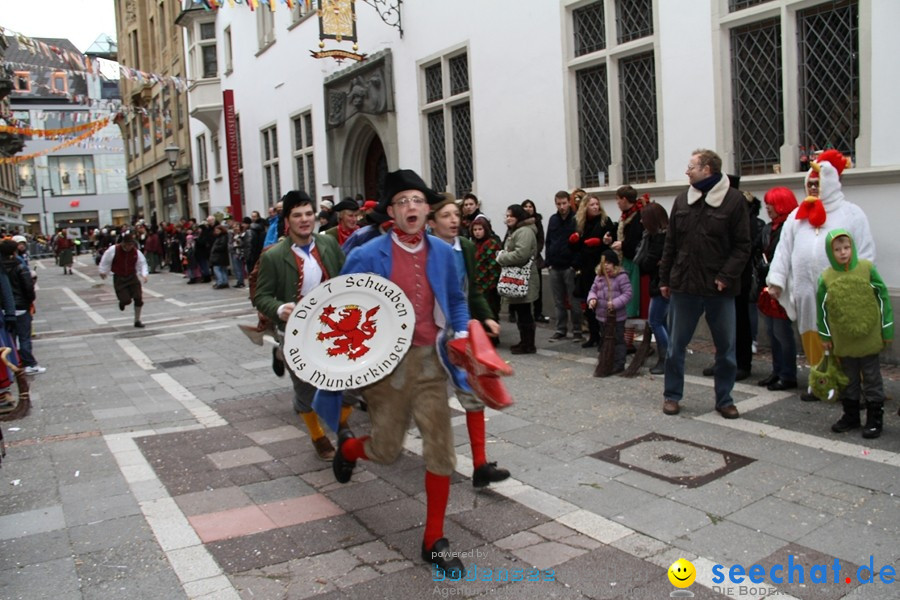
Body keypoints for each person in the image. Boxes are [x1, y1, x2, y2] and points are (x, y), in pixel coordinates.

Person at [332, 169, 470, 575]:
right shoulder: (365, 255)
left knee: (441, 450)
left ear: (429, 210)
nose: (411, 207)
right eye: (402, 201)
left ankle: (434, 540)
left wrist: (462, 331)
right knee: (386, 450)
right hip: (385, 367)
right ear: (391, 212)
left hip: (430, 361)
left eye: (418, 200)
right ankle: (350, 449)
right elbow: (343, 307)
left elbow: (457, 302)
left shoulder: (445, 253)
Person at [253, 190, 354, 460]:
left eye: (309, 213)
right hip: (295, 333)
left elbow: (345, 278)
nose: (305, 219)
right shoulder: (274, 256)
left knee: (353, 384)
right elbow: (260, 296)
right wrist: (278, 308)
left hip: (333, 329)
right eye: (297, 215)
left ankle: (340, 423)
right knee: (306, 390)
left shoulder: (328, 245)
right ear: (287, 220)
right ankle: (318, 436)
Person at [766, 150, 875, 401]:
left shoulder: (851, 214)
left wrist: (859, 285)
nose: (813, 187)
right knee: (812, 336)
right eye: (810, 183)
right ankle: (819, 383)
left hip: (840, 292)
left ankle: (848, 388)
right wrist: (777, 280)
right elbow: (784, 250)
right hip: (805, 290)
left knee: (841, 340)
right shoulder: (797, 217)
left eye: (818, 183)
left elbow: (866, 251)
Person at [658, 149, 750, 418]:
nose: (687, 171)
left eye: (691, 166)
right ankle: (672, 396)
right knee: (675, 347)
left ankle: (725, 400)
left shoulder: (733, 201)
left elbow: (743, 246)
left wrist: (725, 276)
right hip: (684, 287)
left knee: (726, 350)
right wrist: (664, 279)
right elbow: (670, 243)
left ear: (708, 169)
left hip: (718, 289)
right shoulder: (682, 200)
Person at [427, 195, 509, 488]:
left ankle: (480, 466)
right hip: (427, 338)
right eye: (445, 215)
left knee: (472, 396)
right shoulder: (422, 251)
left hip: (458, 334)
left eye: (455, 215)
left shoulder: (467, 247)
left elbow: (470, 291)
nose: (453, 220)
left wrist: (486, 316)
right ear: (431, 222)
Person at [818, 229, 892, 438]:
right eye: (838, 249)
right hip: (844, 340)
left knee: (872, 378)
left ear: (853, 248)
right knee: (848, 379)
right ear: (830, 252)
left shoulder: (866, 269)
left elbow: (882, 297)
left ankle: (874, 419)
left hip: (868, 338)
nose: (843, 253)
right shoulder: (826, 277)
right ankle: (851, 416)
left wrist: (887, 328)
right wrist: (825, 336)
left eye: (846, 247)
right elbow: (821, 308)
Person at [756, 187, 799, 391]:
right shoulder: (767, 228)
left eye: (771, 203)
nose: (768, 208)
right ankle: (777, 371)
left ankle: (788, 374)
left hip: (784, 287)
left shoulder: (792, 227)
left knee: (782, 333)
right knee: (772, 331)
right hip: (768, 286)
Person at [569, 193, 616, 348]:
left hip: (600, 266)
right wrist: (574, 242)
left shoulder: (605, 221)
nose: (595, 207)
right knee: (589, 302)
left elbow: (610, 242)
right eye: (592, 205)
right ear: (585, 208)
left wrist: (602, 242)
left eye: (597, 204)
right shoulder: (580, 223)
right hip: (586, 267)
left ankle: (605, 336)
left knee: (601, 302)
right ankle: (593, 335)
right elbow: (576, 248)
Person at [498, 204, 540, 354]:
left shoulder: (524, 232)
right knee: (520, 312)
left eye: (511, 216)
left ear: (518, 217)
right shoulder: (515, 230)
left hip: (524, 277)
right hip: (518, 277)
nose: (508, 218)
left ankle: (528, 344)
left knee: (524, 312)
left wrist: (502, 257)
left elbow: (521, 254)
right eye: (507, 215)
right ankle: (524, 341)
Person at [609, 186, 647, 351]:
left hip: (633, 264)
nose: (617, 202)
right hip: (626, 262)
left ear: (624, 199)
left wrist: (622, 245)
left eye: (618, 199)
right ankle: (628, 341)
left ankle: (629, 342)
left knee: (630, 303)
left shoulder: (637, 216)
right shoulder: (628, 216)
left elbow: (635, 243)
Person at [635, 202, 669, 375]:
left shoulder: (658, 239)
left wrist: (651, 263)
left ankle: (667, 359)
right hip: (660, 282)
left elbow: (647, 264)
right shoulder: (660, 236)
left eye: (644, 219)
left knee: (655, 321)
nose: (641, 222)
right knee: (661, 321)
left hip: (661, 285)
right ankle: (668, 357)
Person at [0, 240, 44, 375]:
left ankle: (12, 364)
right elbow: (28, 287)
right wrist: (30, 300)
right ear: (15, 251)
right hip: (20, 306)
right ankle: (29, 364)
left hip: (4, 309)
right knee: (24, 337)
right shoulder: (20, 266)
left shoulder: (2, 266)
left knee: (9, 339)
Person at [587, 250, 633, 374]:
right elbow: (593, 290)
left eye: (608, 263)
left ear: (614, 264)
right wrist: (592, 299)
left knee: (618, 339)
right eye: (603, 263)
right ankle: (607, 360)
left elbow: (628, 294)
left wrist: (615, 303)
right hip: (601, 316)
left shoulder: (621, 277)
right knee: (605, 338)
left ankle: (619, 363)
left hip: (617, 317)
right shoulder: (599, 277)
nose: (606, 266)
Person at [545, 190, 582, 341]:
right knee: (558, 301)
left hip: (569, 266)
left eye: (564, 203)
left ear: (569, 202)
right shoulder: (553, 219)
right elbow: (549, 241)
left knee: (574, 301)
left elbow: (580, 243)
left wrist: (575, 264)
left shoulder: (576, 219)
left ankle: (578, 331)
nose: (562, 207)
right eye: (559, 204)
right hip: (555, 266)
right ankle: (561, 329)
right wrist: (548, 262)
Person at [98, 232, 150, 328]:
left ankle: (137, 320)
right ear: (123, 243)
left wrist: (144, 274)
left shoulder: (136, 252)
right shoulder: (113, 250)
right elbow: (105, 260)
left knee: (138, 298)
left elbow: (142, 263)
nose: (130, 247)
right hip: (119, 278)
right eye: (128, 244)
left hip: (132, 276)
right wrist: (102, 271)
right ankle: (123, 302)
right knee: (126, 300)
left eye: (131, 244)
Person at [470, 215, 502, 324]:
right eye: (475, 230)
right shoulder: (473, 244)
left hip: (489, 286)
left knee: (490, 312)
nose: (477, 232)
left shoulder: (491, 243)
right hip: (476, 284)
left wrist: (490, 286)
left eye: (480, 229)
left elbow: (494, 266)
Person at [521, 199, 549, 324]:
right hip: (522, 260)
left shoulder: (537, 222)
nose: (528, 208)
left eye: (530, 206)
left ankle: (538, 313)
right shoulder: (518, 222)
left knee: (538, 288)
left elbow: (541, 240)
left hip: (535, 260)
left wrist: (534, 253)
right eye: (525, 206)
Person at [209, 225, 231, 289]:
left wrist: (215, 248)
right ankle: (224, 282)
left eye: (217, 230)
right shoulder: (220, 237)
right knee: (222, 270)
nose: (216, 232)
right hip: (220, 256)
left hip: (219, 256)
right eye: (215, 231)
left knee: (217, 269)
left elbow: (222, 246)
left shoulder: (223, 237)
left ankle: (221, 282)